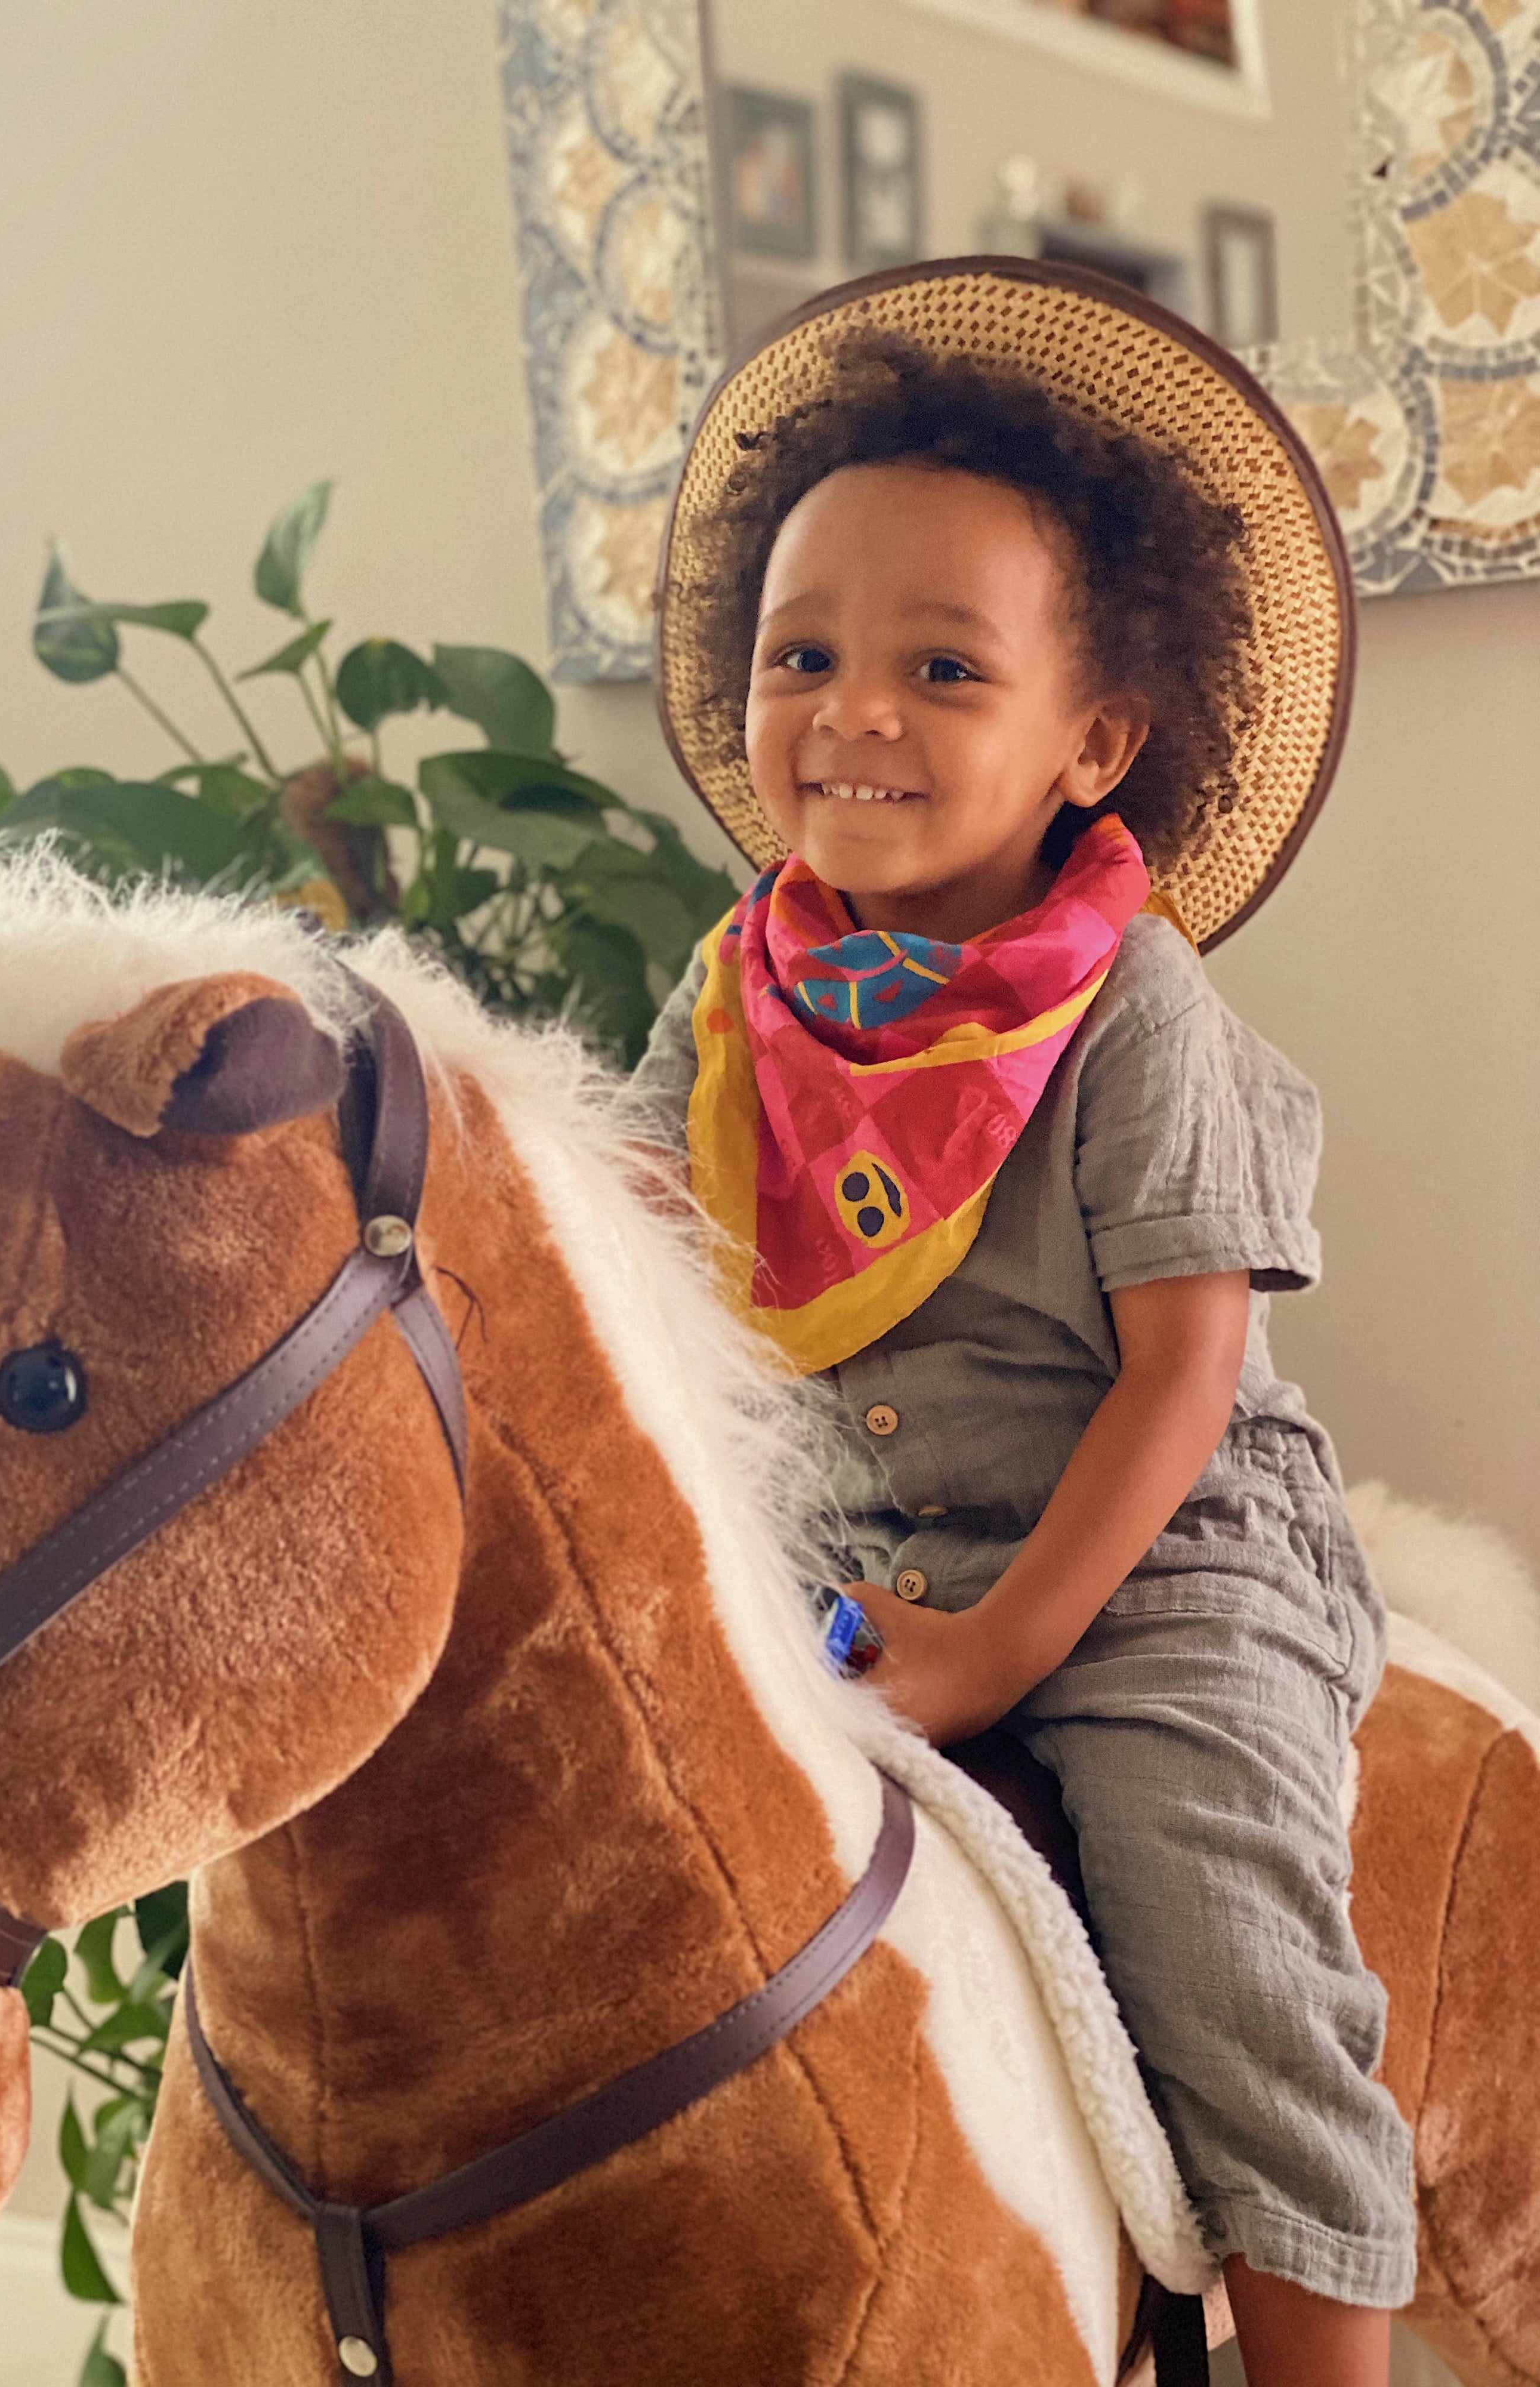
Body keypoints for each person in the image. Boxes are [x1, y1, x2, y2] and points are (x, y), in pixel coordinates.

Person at [635, 263, 1415, 2386]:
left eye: (941, 666)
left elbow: (1181, 1375)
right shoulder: (738, 1007)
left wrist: (996, 1654)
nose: (851, 709)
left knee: (1224, 1926)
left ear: (1092, 742)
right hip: (852, 1552)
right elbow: (639, 1254)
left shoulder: (1132, 1003)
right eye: (805, 654)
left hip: (1151, 1554)